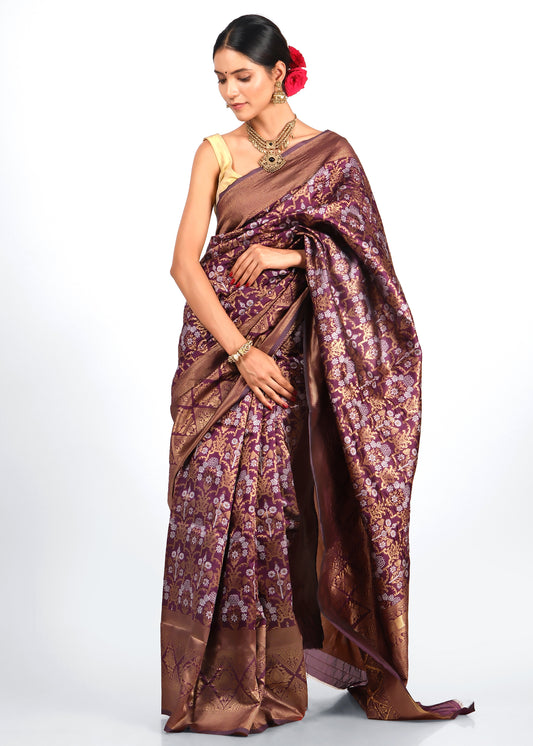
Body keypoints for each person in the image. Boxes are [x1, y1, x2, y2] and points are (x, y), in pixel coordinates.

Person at [160, 13, 474, 736]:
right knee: (212, 508)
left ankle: (276, 679)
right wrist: (242, 350)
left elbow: (369, 263)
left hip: (298, 359)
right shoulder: (215, 151)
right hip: (223, 357)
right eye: (219, 78)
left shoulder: (331, 154)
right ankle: (214, 683)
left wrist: (289, 257)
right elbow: (183, 263)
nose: (228, 91)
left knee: (274, 509)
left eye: (241, 76)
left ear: (280, 72)